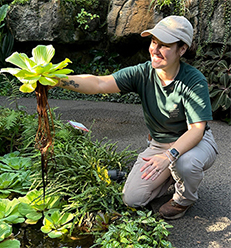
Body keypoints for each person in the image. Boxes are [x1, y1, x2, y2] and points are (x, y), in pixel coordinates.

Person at [53, 15, 218, 220]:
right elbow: (99, 83)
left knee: (186, 163)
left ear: (182, 49)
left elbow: (196, 129)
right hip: (160, 144)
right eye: (153, 42)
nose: (155, 50)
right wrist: (56, 80)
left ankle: (183, 199)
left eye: (164, 45)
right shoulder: (141, 73)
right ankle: (170, 175)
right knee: (133, 199)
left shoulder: (194, 81)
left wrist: (168, 157)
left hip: (193, 144)